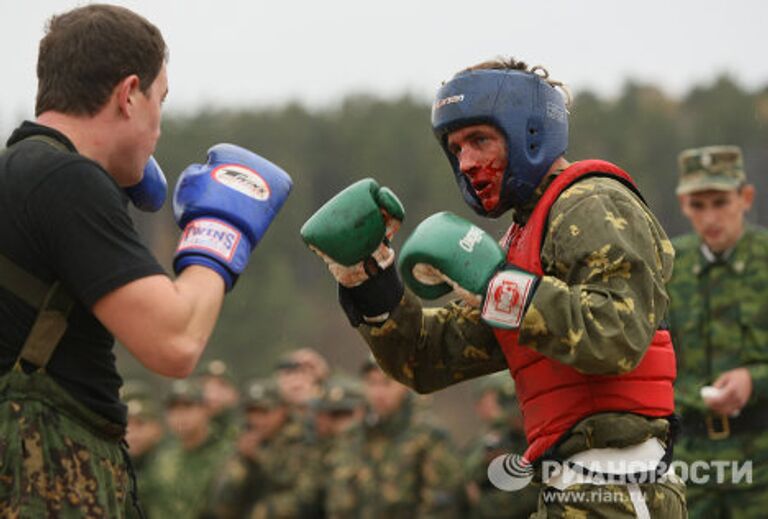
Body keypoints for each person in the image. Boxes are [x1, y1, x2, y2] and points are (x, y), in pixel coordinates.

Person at [302, 57, 686, 516]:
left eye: (480, 140)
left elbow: (616, 335)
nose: (466, 162)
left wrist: (499, 285)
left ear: (530, 132)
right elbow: (426, 359)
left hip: (619, 483)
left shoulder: (591, 202)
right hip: (569, 488)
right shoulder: (520, 242)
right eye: (456, 147)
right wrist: (370, 277)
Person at [0, 4, 291, 516]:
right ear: (129, 94)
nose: (159, 121)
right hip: (45, 480)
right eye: (160, 99)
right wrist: (219, 232)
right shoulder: (65, 179)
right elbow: (174, 342)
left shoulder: (17, 174)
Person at [667, 145, 768, 517]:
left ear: (745, 197)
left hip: (762, 466)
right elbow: (651, 359)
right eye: (698, 204)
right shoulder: (670, 268)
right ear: (683, 204)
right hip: (691, 467)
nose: (710, 217)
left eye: (720, 202)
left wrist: (753, 380)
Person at [317, 357, 463, 518]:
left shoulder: (427, 436)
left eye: (387, 383)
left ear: (405, 386)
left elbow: (441, 504)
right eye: (372, 383)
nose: (378, 393)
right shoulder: (352, 437)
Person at [209, 377, 320, 519]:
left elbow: (305, 495)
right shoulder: (246, 437)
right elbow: (223, 497)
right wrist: (242, 461)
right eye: (251, 411)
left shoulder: (302, 439)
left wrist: (259, 456)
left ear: (283, 410)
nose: (256, 419)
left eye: (264, 411)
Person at [148, 379, 233, 518]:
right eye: (173, 409)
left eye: (188, 407)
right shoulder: (163, 459)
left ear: (205, 409)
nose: (180, 416)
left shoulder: (227, 454)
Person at [462, 375, 538, 519]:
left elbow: (532, 494)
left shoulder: (536, 440)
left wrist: (480, 502)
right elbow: (469, 477)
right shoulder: (499, 437)